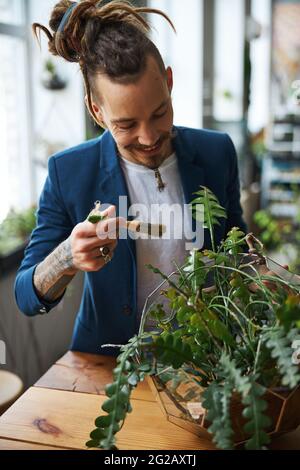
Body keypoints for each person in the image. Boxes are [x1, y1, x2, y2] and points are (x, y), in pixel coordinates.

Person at [15, 0, 246, 355]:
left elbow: (237, 246)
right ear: (97, 110)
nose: (150, 137)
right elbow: (26, 297)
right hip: (110, 364)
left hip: (207, 358)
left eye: (159, 113)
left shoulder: (217, 153)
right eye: (126, 125)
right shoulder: (70, 172)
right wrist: (68, 256)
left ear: (168, 82)